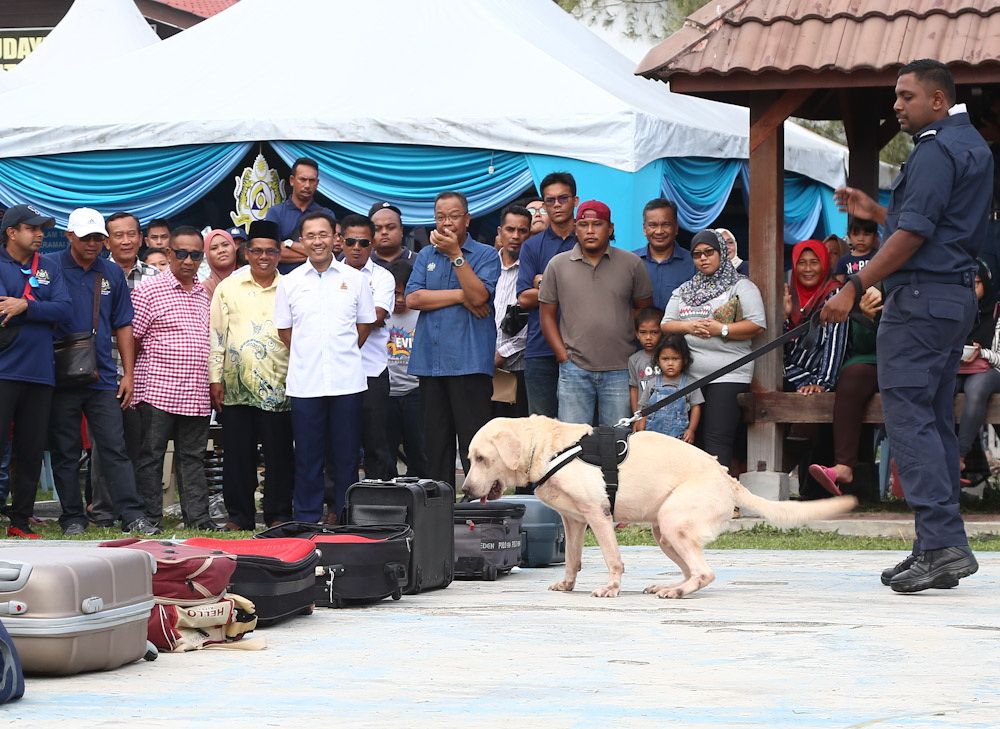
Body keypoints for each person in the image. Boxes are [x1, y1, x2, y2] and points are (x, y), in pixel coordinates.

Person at [821, 59, 992, 592]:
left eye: (905, 96)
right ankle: (936, 546)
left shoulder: (936, 149)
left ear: (937, 100)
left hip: (919, 303)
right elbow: (935, 227)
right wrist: (877, 212)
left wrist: (853, 284)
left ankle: (942, 544)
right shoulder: (972, 146)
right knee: (934, 421)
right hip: (951, 299)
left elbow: (916, 237)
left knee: (912, 422)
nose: (896, 105)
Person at [49, 208, 158, 536]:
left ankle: (131, 513)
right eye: (85, 238)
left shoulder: (111, 273)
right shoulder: (50, 267)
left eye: (97, 237)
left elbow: (124, 325)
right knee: (65, 448)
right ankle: (72, 516)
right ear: (70, 236)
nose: (92, 243)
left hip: (102, 376)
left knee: (114, 446)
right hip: (60, 374)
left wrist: (129, 372)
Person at [275, 211, 375, 523]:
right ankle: (306, 517)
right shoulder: (289, 283)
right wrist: (311, 353)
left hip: (347, 382)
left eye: (323, 235)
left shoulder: (356, 280)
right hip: (306, 383)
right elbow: (284, 331)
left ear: (336, 238)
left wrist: (338, 352)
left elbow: (364, 326)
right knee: (307, 456)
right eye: (311, 236)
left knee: (346, 456)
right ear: (302, 241)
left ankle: (345, 515)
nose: (317, 241)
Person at [405, 191, 500, 486]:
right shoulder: (425, 255)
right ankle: (437, 508)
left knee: (474, 445)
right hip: (431, 364)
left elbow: (481, 295)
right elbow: (413, 298)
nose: (447, 223)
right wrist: (461, 296)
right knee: (435, 445)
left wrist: (456, 256)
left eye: (454, 216)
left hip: (469, 364)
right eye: (440, 217)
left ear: (467, 219)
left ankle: (477, 507)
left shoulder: (485, 254)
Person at [132, 225, 221, 531]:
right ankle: (150, 518)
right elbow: (133, 338)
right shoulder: (147, 290)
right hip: (158, 387)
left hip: (195, 392)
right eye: (181, 253)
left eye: (195, 255)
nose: (188, 260)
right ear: (169, 253)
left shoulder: (203, 294)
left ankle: (199, 520)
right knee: (151, 456)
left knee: (192, 458)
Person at [210, 219, 294, 531]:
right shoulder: (228, 287)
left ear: (279, 254)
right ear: (246, 252)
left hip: (280, 385)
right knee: (237, 455)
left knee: (279, 455)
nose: (263, 257)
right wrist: (214, 378)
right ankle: (239, 516)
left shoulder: (290, 288)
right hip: (235, 386)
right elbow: (217, 335)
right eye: (256, 250)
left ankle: (277, 514)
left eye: (270, 251)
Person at [539, 199, 653, 426]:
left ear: (610, 229)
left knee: (617, 441)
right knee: (572, 442)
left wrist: (622, 333)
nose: (590, 231)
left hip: (620, 369)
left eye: (597, 224)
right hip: (574, 368)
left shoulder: (631, 263)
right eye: (584, 224)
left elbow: (644, 309)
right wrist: (562, 355)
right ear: (575, 228)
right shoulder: (557, 265)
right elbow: (547, 315)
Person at [662, 229, 766, 470]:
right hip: (689, 375)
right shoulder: (685, 289)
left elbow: (757, 325)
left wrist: (722, 329)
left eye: (709, 252)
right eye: (697, 254)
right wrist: (689, 326)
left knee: (717, 439)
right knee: (690, 438)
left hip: (728, 372)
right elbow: (666, 324)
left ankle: (721, 500)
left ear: (722, 253)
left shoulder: (741, 286)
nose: (703, 258)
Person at [0, 204, 72, 538]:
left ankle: (20, 521)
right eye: (32, 228)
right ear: (11, 232)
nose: (40, 234)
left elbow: (64, 309)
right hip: (4, 370)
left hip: (41, 372)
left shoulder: (50, 267)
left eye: (42, 228)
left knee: (30, 450)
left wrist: (25, 305)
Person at [89, 211, 159, 527]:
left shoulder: (156, 278)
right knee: (106, 446)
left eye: (132, 234)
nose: (126, 240)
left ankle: (136, 511)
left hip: (147, 376)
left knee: (139, 446)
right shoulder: (95, 275)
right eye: (118, 235)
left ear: (141, 238)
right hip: (105, 373)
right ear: (107, 241)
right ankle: (104, 511)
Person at [809, 285, 884, 496]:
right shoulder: (871, 291)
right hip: (875, 360)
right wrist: (867, 318)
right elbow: (862, 346)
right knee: (852, 375)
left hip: (914, 358)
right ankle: (843, 466)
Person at [516, 172, 579, 417]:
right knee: (541, 428)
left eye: (562, 198)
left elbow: (594, 292)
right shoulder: (532, 246)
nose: (556, 205)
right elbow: (524, 297)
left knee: (580, 427)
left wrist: (544, 285)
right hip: (540, 349)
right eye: (550, 200)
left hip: (583, 349)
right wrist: (570, 287)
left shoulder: (588, 241)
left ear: (575, 200)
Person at [340, 213, 396, 480]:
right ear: (340, 242)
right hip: (336, 372)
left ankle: (380, 507)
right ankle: (338, 506)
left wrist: (339, 319)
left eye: (363, 243)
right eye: (351, 241)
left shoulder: (383, 277)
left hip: (372, 370)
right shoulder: (326, 274)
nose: (357, 248)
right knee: (339, 445)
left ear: (372, 244)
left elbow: (377, 316)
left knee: (377, 445)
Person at [783, 240, 848, 395]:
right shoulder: (788, 295)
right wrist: (783, 317)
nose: (807, 269)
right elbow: (779, 353)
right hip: (789, 377)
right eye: (802, 263)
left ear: (824, 264)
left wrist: (822, 383)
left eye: (814, 262)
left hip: (819, 382)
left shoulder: (834, 296)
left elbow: (835, 342)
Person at [955, 261, 1000, 476]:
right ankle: (938, 453)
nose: (971, 290)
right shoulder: (956, 311)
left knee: (976, 390)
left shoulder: (996, 311)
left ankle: (959, 456)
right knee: (939, 389)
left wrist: (981, 353)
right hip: (957, 368)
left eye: (976, 284)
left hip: (989, 368)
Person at [385, 260, 427, 477]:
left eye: (404, 293)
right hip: (387, 392)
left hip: (415, 391)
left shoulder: (422, 315)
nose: (399, 300)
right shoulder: (379, 315)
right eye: (394, 293)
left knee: (419, 450)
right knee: (385, 453)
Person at [265, 157, 338, 274]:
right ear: (292, 180)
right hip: (284, 280)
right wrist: (315, 255)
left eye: (312, 180)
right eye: (303, 179)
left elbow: (330, 251)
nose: (307, 185)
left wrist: (289, 244)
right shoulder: (275, 212)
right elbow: (271, 253)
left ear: (317, 183)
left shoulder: (326, 214)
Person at [493, 204, 532, 418]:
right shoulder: (485, 265)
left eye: (522, 231)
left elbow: (535, 320)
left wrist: (502, 354)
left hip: (519, 370)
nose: (516, 236)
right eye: (510, 229)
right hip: (482, 368)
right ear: (500, 232)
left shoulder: (534, 270)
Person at [636, 334, 703, 441]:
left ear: (684, 360)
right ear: (658, 360)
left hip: (679, 437)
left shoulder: (690, 384)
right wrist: (641, 423)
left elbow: (696, 407)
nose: (670, 363)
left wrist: (691, 430)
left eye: (675, 359)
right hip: (652, 435)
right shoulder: (652, 383)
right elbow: (644, 406)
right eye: (665, 359)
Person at [633, 198, 694, 310]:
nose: (659, 231)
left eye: (666, 224)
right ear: (644, 229)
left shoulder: (694, 263)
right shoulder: (631, 262)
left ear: (676, 228)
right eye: (653, 225)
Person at [627, 307, 665, 419]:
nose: (648, 337)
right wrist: (636, 415)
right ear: (637, 334)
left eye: (654, 332)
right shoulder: (634, 360)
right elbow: (634, 388)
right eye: (643, 332)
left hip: (669, 411)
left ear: (662, 332)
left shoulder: (669, 357)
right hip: (644, 415)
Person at [369, 201, 416, 268]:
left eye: (391, 227)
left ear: (401, 230)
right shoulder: (363, 263)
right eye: (377, 229)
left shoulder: (420, 261)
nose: (384, 232)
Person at [833, 217, 879, 282]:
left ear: (875, 236)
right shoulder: (843, 261)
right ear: (849, 236)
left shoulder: (879, 257)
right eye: (856, 234)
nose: (861, 239)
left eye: (866, 234)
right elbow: (838, 284)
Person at [202, 229, 238, 299]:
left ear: (234, 247)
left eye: (225, 245)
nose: (221, 251)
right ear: (207, 254)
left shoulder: (251, 277)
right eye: (214, 248)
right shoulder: (205, 290)